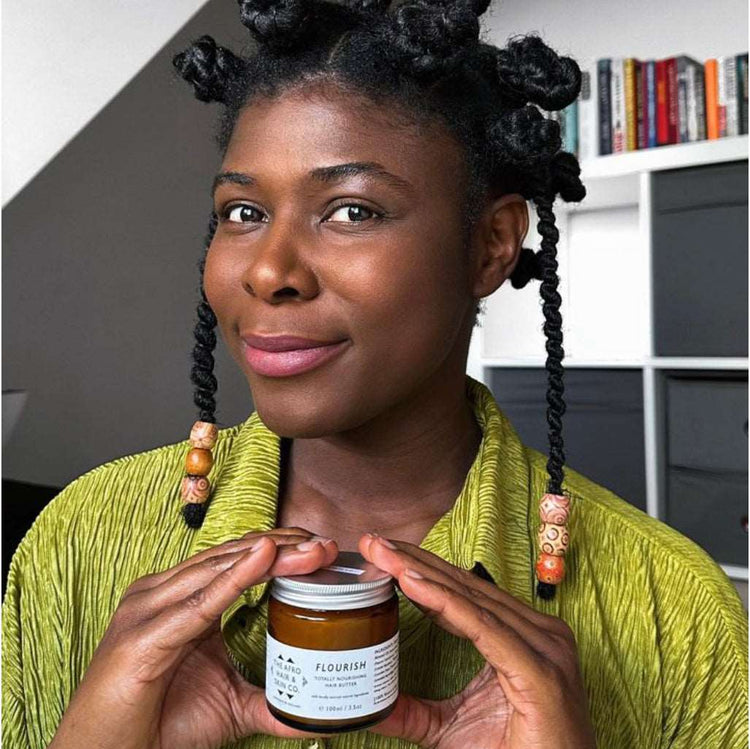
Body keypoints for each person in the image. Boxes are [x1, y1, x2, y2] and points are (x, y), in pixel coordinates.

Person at [2, 0, 747, 747]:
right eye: (242, 212)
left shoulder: (676, 610)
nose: (268, 271)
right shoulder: (76, 539)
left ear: (491, 245)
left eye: (352, 211)